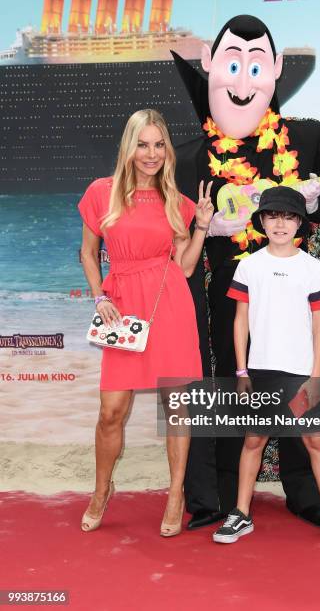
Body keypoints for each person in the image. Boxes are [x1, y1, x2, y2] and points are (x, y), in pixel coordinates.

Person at [173, 14, 320, 530]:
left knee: (299, 385)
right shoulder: (190, 158)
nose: (243, 80)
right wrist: (210, 229)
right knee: (236, 388)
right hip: (229, 296)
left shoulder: (306, 139)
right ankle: (229, 497)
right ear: (210, 66)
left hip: (294, 289)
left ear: (275, 69)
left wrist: (314, 200)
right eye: (232, 63)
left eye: (256, 65)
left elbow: (319, 215)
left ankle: (307, 493)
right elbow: (179, 233)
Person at [77, 109, 213, 537]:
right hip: (121, 307)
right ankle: (101, 490)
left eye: (159, 145)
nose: (151, 154)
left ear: (166, 150)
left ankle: (175, 495)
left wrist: (203, 227)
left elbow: (187, 267)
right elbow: (87, 252)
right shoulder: (102, 192)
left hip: (167, 305)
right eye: (143, 144)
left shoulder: (176, 200)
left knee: (177, 409)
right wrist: (99, 296)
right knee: (111, 410)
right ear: (129, 146)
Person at [213, 186, 320, 549]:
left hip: (300, 376)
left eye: (289, 216)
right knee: (254, 442)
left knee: (314, 441)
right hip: (261, 373)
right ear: (262, 221)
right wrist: (242, 372)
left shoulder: (312, 268)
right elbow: (241, 321)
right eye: (273, 216)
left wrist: (315, 376)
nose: (281, 223)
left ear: (299, 223)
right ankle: (241, 513)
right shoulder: (249, 265)